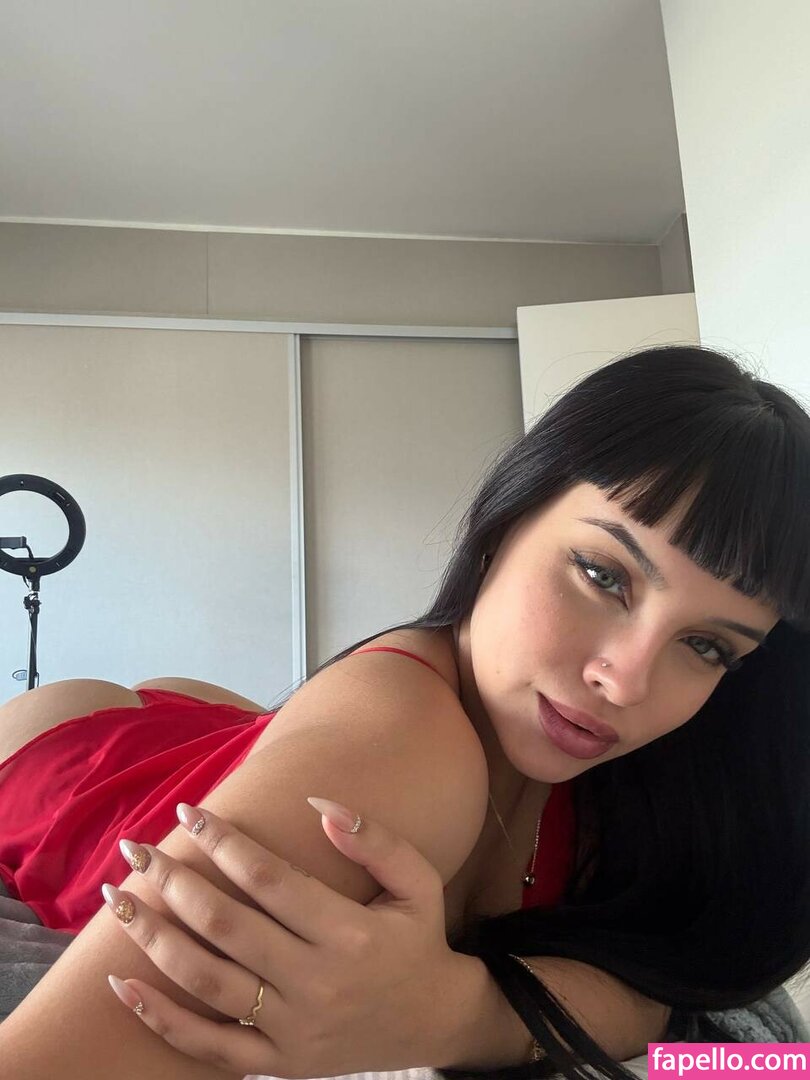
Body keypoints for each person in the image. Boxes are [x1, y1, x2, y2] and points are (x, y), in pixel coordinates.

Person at [2, 344, 810, 1080]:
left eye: (706, 646)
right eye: (603, 575)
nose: (627, 682)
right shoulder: (400, 757)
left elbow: (704, 1021)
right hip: (66, 761)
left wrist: (466, 1016)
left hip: (211, 726)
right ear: (506, 518)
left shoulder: (668, 781)